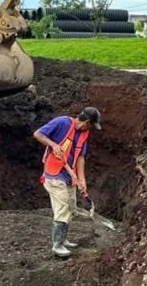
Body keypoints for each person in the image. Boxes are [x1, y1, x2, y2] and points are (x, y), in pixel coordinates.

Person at [33, 107, 101, 257]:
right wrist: (53, 145)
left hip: (69, 176)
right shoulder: (62, 122)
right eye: (91, 125)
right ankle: (57, 245)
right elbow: (37, 134)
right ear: (87, 122)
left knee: (71, 208)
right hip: (54, 173)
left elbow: (80, 157)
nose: (91, 129)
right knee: (63, 207)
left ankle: (63, 239)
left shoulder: (84, 134)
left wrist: (81, 179)